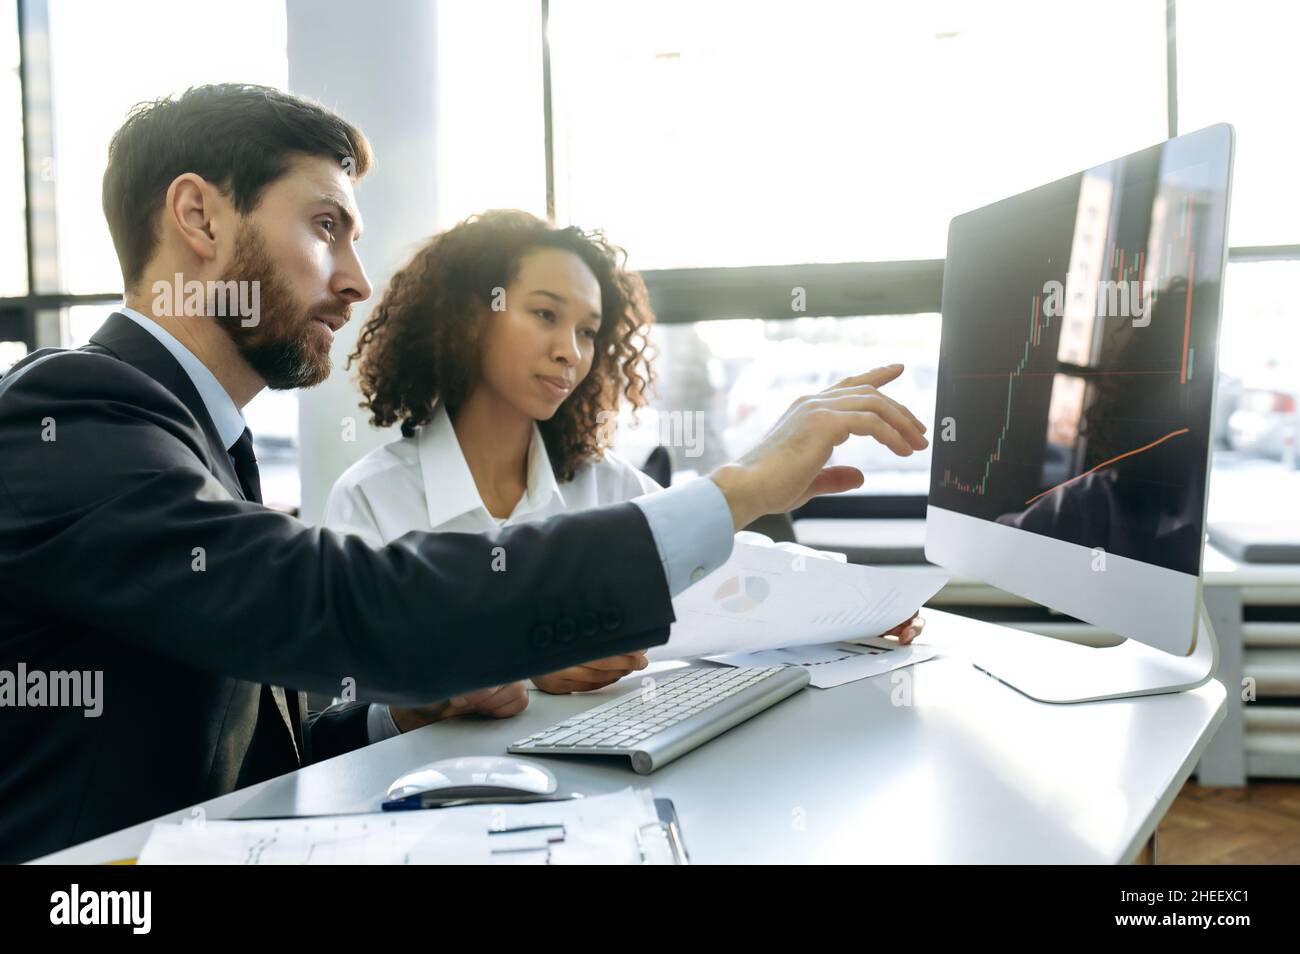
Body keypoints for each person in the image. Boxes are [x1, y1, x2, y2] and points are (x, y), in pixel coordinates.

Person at [0, 84, 928, 862]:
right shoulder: (74, 413)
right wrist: (740, 491)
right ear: (198, 215)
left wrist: (409, 714)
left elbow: (253, 746)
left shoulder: (197, 437)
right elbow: (337, 598)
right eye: (327, 226)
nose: (356, 280)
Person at [324, 209, 925, 735]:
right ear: (466, 318)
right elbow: (349, 714)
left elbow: (732, 569)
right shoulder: (373, 498)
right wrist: (500, 669)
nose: (571, 351)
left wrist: (860, 605)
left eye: (588, 331)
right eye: (543, 314)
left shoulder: (605, 483)